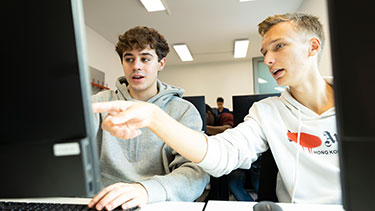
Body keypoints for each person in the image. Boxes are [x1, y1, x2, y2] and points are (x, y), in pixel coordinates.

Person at [92, 13, 341, 204]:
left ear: (313, 47)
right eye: (264, 52)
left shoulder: (362, 99)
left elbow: (193, 173)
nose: (267, 60)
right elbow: (222, 155)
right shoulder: (267, 112)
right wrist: (154, 116)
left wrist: (153, 116)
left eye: (278, 46)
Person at [88, 26, 209, 210]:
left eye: (145, 59)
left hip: (157, 201)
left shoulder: (184, 111)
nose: (136, 65)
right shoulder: (99, 103)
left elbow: (195, 173)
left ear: (161, 63)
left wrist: (146, 190)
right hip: (102, 201)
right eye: (129, 59)